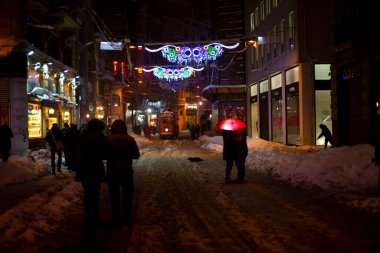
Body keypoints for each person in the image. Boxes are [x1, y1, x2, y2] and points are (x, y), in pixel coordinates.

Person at [75, 119, 107, 237]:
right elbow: (104, 153)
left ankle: (88, 218)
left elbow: (77, 152)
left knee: (88, 193)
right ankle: (95, 219)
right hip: (95, 168)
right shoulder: (100, 137)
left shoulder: (83, 136)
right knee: (95, 194)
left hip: (84, 168)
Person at [106, 119, 140, 228]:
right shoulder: (129, 139)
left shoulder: (108, 140)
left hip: (112, 171)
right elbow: (136, 154)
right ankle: (126, 217)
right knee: (127, 195)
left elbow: (103, 154)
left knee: (114, 195)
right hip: (126, 170)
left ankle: (116, 218)